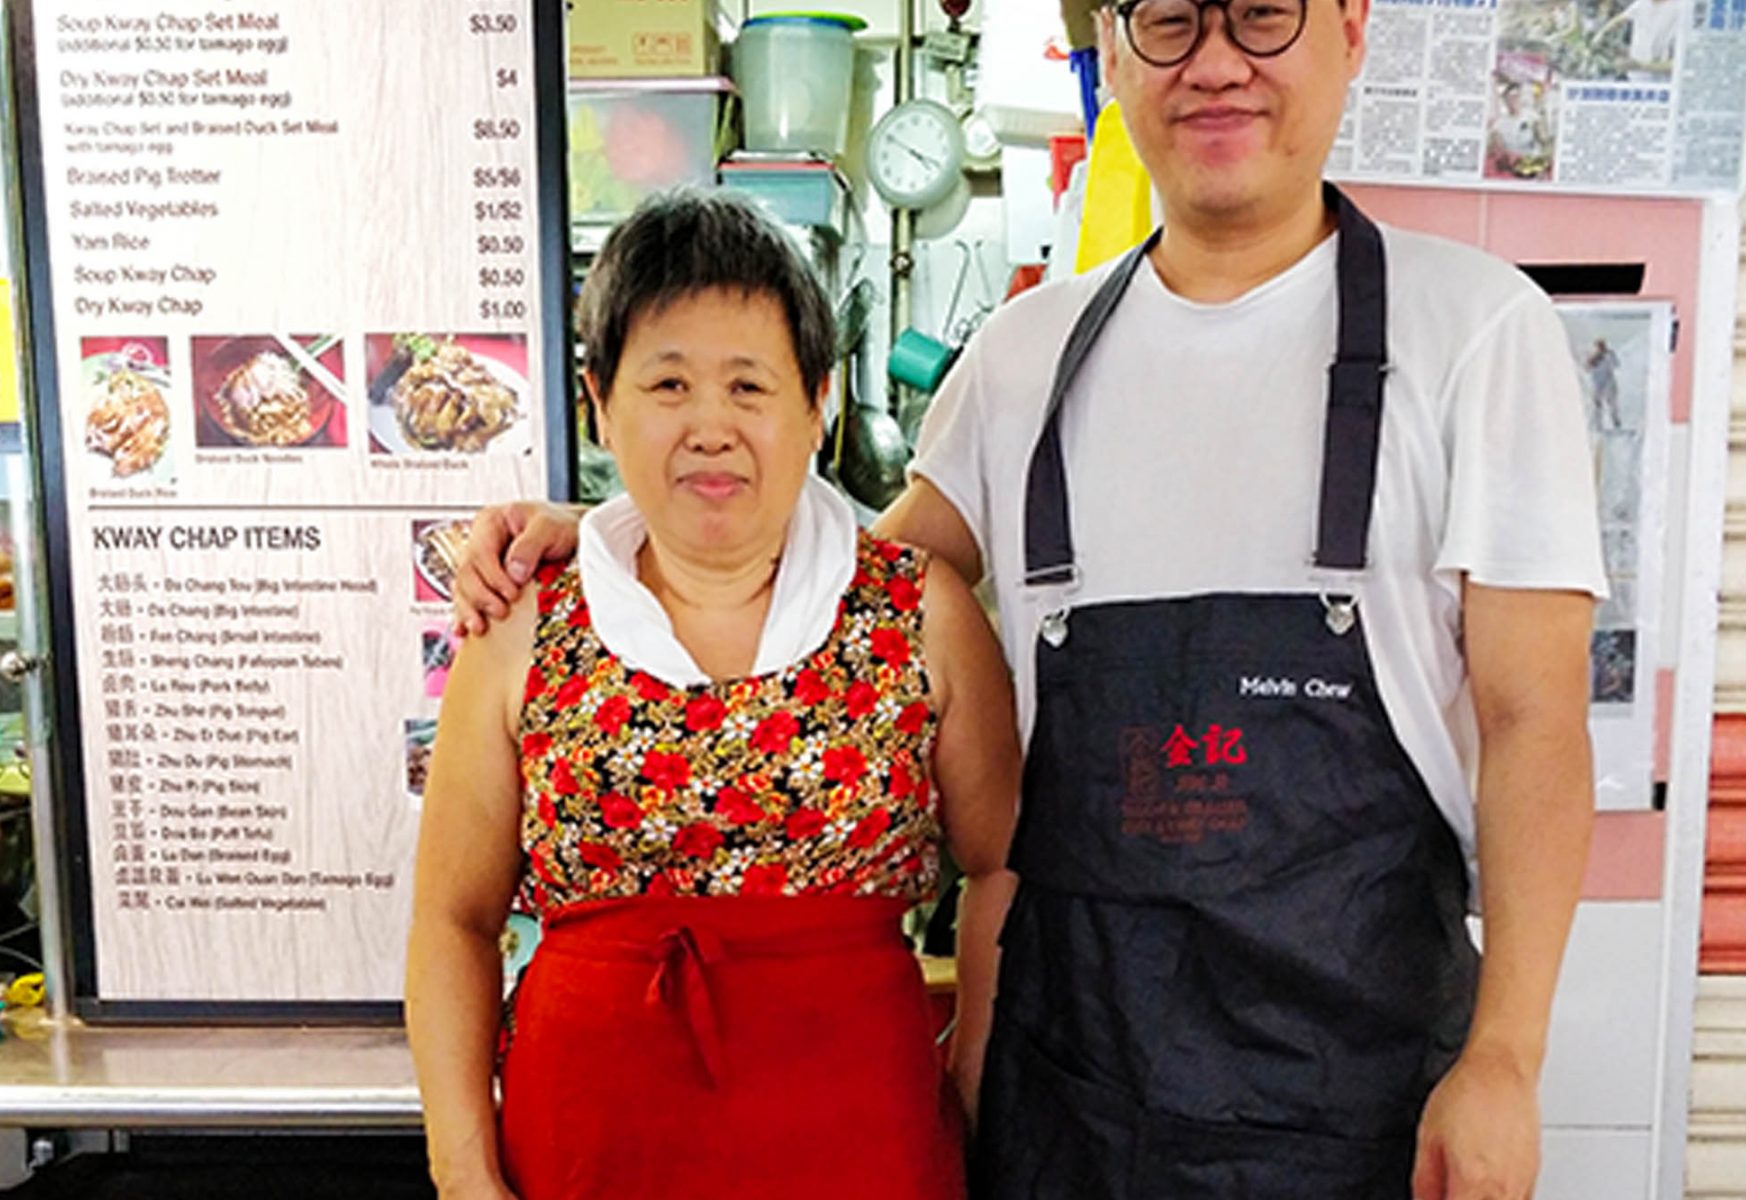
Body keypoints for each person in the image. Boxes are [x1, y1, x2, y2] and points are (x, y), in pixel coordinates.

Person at [454, 2, 1604, 1197]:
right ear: (1113, 50)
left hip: (1356, 1098)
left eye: (1261, 16)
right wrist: (610, 540)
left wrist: (1505, 1060)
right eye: (1168, 21)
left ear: (1350, 31)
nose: (1216, 64)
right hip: (1077, 1094)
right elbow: (842, 584)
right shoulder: (1022, 358)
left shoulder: (1475, 334)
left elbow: (1534, 722)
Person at [406, 189, 1019, 1200]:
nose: (709, 428)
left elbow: (1003, 867)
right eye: (667, 384)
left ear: (815, 404)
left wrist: (973, 1094)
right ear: (599, 400)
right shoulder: (524, 622)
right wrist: (465, 1176)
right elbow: (452, 921)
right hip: (583, 1151)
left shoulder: (918, 612)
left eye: (748, 386)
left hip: (864, 1140)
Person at [1598, 0, 1684, 80]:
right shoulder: (1643, 3)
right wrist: (1601, 34)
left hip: (1660, 83)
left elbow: (1679, 65)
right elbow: (1620, 19)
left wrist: (1640, 66)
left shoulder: (1680, 9)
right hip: (1633, 76)